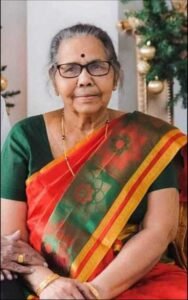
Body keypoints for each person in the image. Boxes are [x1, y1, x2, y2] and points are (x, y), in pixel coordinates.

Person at [1, 23, 187, 300]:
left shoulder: (149, 139)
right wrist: (47, 284)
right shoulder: (25, 137)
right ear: (55, 79)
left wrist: (94, 291)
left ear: (115, 76)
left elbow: (159, 231)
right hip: (42, 278)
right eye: (70, 69)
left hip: (133, 277)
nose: (85, 79)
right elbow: (11, 239)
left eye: (98, 66)